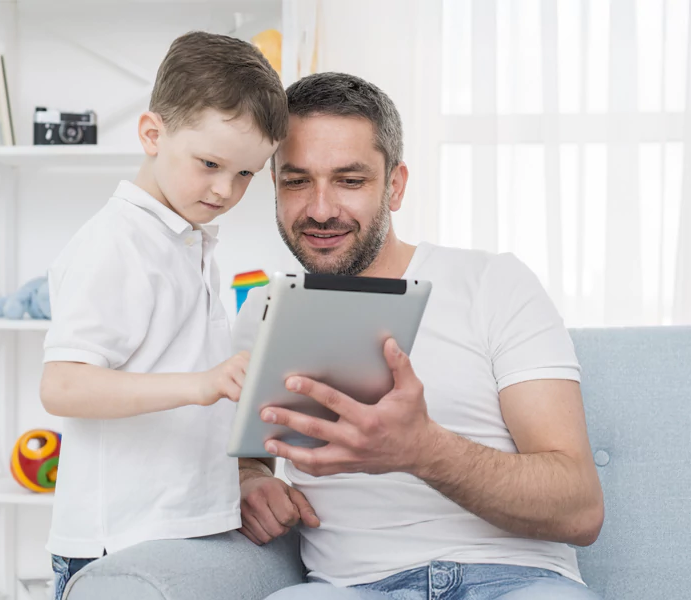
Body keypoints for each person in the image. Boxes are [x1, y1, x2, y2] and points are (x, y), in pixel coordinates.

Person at [236, 72, 606, 600]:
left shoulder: (493, 283)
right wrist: (250, 481)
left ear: (395, 185)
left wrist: (423, 450)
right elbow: (242, 453)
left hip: (515, 581)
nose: (320, 209)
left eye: (349, 180)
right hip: (350, 588)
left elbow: (580, 509)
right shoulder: (262, 313)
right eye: (297, 181)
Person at [38, 31, 288, 599]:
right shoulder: (115, 244)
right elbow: (63, 386)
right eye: (210, 164)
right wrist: (199, 385)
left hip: (177, 532)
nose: (225, 189)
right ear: (153, 134)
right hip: (117, 544)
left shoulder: (185, 240)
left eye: (247, 174)